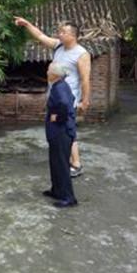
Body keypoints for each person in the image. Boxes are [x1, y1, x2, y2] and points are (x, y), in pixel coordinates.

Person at [14, 17, 90, 177]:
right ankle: (67, 161)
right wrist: (27, 24)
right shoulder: (58, 46)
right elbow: (40, 36)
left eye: (63, 32)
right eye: (60, 31)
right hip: (55, 98)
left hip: (68, 100)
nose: (59, 34)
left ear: (73, 35)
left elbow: (85, 79)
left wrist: (85, 100)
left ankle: (76, 164)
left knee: (68, 131)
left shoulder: (81, 54)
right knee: (59, 131)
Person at [44, 62, 78, 208]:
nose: (47, 73)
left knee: (62, 164)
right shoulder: (60, 85)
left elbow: (64, 104)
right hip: (58, 132)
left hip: (61, 132)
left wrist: (57, 117)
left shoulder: (60, 88)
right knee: (55, 162)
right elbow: (72, 100)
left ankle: (69, 198)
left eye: (48, 70)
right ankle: (57, 190)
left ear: (55, 74)